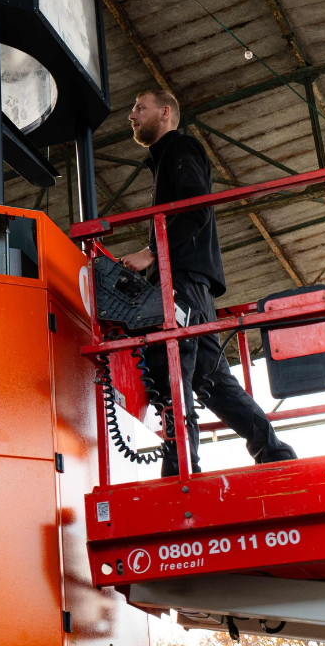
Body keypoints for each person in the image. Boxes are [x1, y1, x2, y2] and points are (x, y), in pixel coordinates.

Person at [120, 89, 296, 474]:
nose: (131, 115)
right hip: (190, 282)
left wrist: (152, 253)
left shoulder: (180, 150)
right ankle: (273, 451)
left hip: (181, 280)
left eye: (139, 108)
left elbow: (195, 209)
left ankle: (181, 468)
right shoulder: (167, 158)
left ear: (165, 112)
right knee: (209, 376)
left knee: (173, 368)